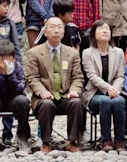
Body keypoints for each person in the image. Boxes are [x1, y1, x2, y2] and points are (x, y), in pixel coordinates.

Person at [26, 17, 84, 153]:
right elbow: (31, 77)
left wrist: (75, 90)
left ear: (64, 32)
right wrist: (41, 91)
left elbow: (78, 77)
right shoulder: (34, 53)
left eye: (59, 27)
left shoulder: (73, 53)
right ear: (45, 32)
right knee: (46, 104)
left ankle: (72, 142)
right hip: (44, 96)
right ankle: (46, 142)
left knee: (76, 102)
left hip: (65, 95)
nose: (56, 30)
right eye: (52, 27)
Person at [82, 20, 127, 152]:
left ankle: (120, 141)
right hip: (95, 93)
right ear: (93, 33)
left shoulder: (118, 52)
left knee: (119, 101)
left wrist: (115, 89)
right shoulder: (87, 53)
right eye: (101, 29)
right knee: (105, 101)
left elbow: (120, 75)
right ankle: (106, 140)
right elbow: (92, 76)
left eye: (107, 28)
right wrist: (108, 88)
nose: (105, 31)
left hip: (115, 91)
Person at [0, 40, 30, 154]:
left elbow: (20, 89)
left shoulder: (18, 67)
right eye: (2, 58)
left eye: (9, 58)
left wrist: (10, 74)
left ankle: (22, 137)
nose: (6, 61)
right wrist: (2, 74)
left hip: (13, 99)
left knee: (23, 101)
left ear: (13, 58)